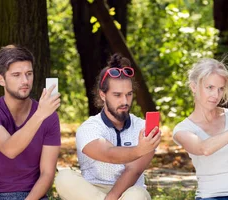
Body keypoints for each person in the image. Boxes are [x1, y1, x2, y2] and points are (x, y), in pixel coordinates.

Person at [54, 54, 161, 200]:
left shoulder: (143, 127)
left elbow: (133, 170)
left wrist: (111, 198)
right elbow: (109, 154)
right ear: (103, 95)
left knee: (137, 195)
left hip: (128, 191)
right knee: (64, 178)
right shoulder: (89, 128)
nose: (125, 101)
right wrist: (139, 150)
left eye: (129, 94)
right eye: (117, 95)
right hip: (91, 192)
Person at [0, 45, 61, 200]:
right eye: (16, 75)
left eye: (29, 74)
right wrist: (40, 115)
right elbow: (10, 149)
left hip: (34, 196)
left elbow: (47, 173)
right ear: (1, 79)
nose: (25, 81)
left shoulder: (49, 116)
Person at [172, 58, 228, 200]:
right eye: (210, 87)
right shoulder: (183, 129)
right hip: (211, 196)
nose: (216, 95)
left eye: (221, 89)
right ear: (193, 87)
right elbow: (204, 149)